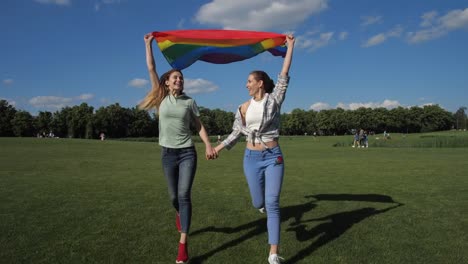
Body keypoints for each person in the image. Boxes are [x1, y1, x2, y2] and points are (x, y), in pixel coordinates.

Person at [211, 35, 295, 264]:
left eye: (249, 81)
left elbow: (284, 76)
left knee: (272, 203)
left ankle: (273, 253)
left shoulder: (274, 100)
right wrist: (217, 148)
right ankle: (261, 207)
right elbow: (235, 134)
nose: (246, 84)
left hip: (273, 156)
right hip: (251, 157)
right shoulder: (242, 108)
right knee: (259, 202)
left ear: (260, 83)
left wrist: (290, 47)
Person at [139, 33, 217, 264]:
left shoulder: (189, 101)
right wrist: (148, 44)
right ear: (166, 82)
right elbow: (152, 68)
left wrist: (208, 145)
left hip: (186, 153)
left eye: (181, 78)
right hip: (167, 154)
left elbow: (199, 126)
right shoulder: (160, 97)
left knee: (184, 195)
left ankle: (183, 245)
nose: (179, 80)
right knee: (174, 196)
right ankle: (179, 213)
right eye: (175, 77)